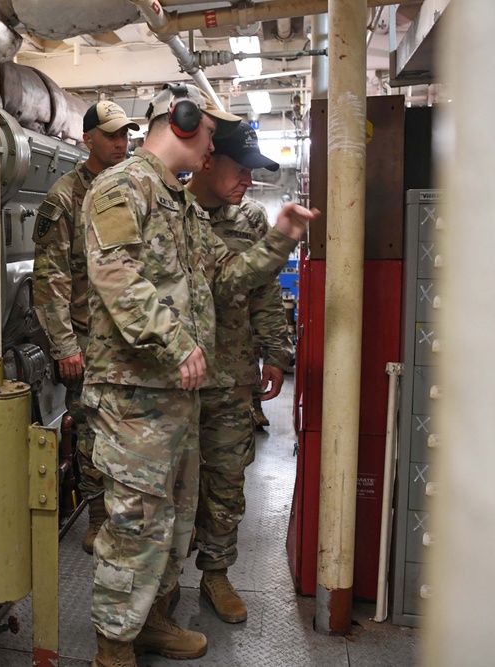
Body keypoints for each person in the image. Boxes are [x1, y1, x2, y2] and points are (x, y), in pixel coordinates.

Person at [81, 82, 317, 666]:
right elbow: (116, 275)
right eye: (210, 134)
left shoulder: (179, 206)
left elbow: (231, 275)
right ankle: (113, 647)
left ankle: (154, 620)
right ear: (184, 123)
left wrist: (282, 237)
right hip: (135, 396)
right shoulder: (120, 190)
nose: (212, 148)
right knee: (135, 526)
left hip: (177, 397)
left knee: (173, 522)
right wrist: (177, 342)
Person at [185, 123, 294, 623]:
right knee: (169, 486)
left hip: (230, 375)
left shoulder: (249, 217)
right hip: (174, 379)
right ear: (208, 160)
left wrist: (275, 351)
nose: (249, 180)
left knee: (227, 480)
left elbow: (265, 289)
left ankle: (216, 573)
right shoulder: (169, 211)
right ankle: (162, 588)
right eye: (241, 169)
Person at [32, 101, 139, 552]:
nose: (121, 143)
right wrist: (64, 346)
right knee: (92, 431)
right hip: (88, 341)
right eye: (112, 135)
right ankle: (97, 516)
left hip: (134, 337)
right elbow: (50, 278)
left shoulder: (135, 188)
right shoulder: (66, 196)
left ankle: (130, 513)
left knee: (134, 429)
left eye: (125, 135)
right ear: (87, 139)